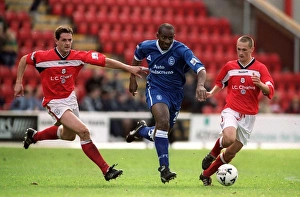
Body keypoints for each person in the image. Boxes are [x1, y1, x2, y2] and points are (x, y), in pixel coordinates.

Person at [13, 25, 147, 181]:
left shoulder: (78, 56)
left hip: (70, 99)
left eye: (70, 40)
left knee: (68, 135)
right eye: (64, 40)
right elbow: (24, 59)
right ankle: (106, 170)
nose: (67, 43)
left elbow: (105, 61)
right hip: (54, 102)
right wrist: (18, 82)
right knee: (83, 131)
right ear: (56, 41)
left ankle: (34, 136)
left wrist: (128, 68)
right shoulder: (43, 57)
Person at [125, 23, 207, 183]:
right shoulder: (146, 46)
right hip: (155, 89)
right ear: (157, 35)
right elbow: (136, 57)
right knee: (162, 122)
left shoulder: (181, 50)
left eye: (170, 38)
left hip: (176, 94)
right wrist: (132, 78)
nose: (167, 41)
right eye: (164, 37)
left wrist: (201, 84)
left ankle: (142, 131)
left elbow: (201, 69)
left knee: (163, 131)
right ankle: (164, 168)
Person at [199, 35, 275, 186]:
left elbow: (270, 89)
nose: (240, 53)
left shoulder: (260, 69)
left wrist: (259, 84)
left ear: (252, 49)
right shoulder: (230, 66)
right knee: (228, 139)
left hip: (249, 116)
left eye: (244, 50)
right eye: (238, 49)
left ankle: (206, 174)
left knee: (231, 152)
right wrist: (211, 93)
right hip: (231, 111)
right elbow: (221, 82)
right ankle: (212, 153)